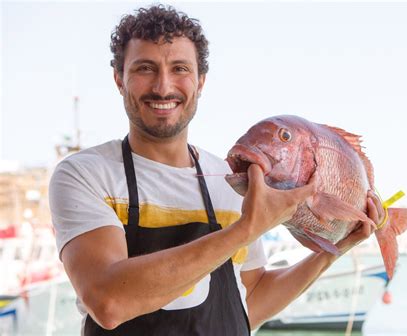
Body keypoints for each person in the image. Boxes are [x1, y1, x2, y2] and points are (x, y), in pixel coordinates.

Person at [49, 4, 384, 336]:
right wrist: (247, 229)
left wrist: (334, 250)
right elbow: (109, 303)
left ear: (201, 81)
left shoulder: (231, 181)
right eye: (145, 68)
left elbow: (249, 302)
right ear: (119, 79)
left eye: (179, 68)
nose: (163, 86)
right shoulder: (85, 175)